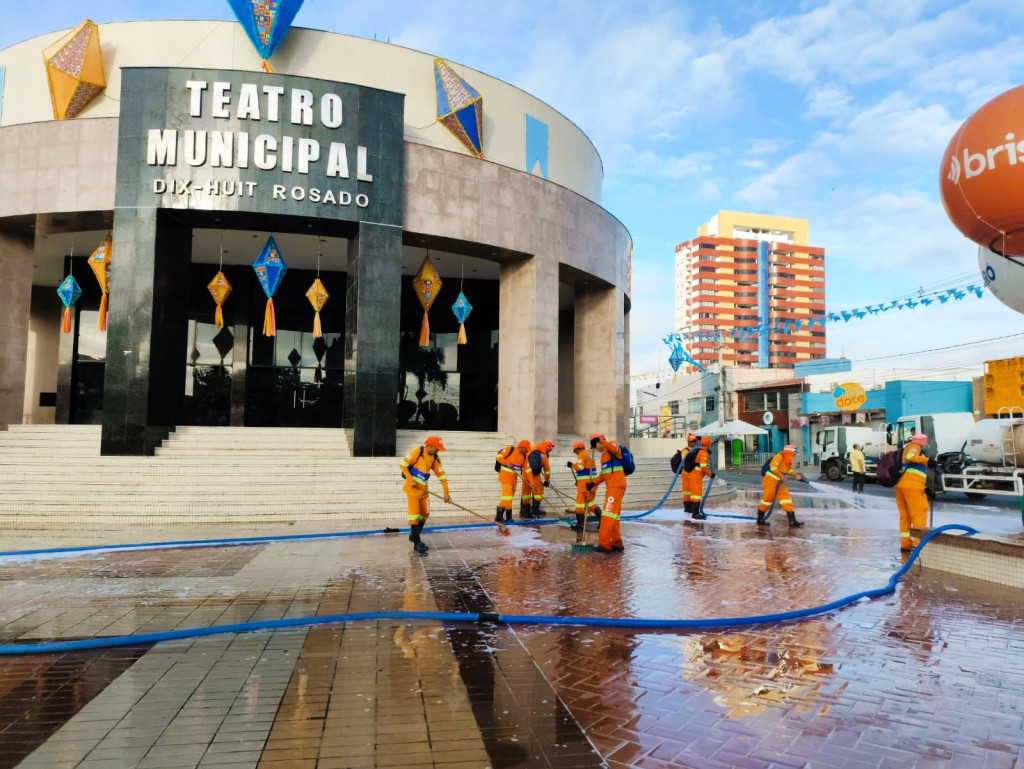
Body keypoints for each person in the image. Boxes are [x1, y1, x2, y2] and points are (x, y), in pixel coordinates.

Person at [399, 435, 451, 553]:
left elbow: (442, 476)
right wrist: (410, 479)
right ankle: (417, 543)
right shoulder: (417, 452)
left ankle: (414, 534)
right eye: (437, 448)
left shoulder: (435, 458)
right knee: (414, 516)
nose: (438, 451)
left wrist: (446, 493)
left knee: (425, 514)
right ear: (430, 446)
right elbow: (403, 465)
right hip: (412, 490)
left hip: (424, 491)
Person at [895, 432, 932, 551]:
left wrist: (926, 489)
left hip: (902, 485)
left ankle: (905, 543)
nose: (926, 443)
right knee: (920, 512)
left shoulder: (906, 447)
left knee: (905, 516)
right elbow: (911, 457)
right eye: (925, 441)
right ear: (921, 441)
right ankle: (918, 542)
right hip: (913, 486)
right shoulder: (915, 446)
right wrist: (927, 460)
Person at [590, 433, 626, 553]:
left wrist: (602, 441)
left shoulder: (611, 445)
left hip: (616, 486)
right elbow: (603, 474)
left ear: (598, 442)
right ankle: (617, 543)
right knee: (614, 517)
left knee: (606, 515)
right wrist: (593, 483)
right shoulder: (604, 456)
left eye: (595, 446)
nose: (596, 449)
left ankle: (604, 544)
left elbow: (614, 449)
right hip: (612, 487)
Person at [757, 444, 806, 527]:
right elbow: (773, 468)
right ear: (789, 452)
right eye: (794, 453)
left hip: (779, 483)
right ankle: (760, 519)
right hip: (770, 481)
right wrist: (782, 476)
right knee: (767, 499)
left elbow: (789, 470)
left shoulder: (788, 460)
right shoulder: (779, 456)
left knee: (786, 499)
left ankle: (792, 521)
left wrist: (795, 475)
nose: (794, 455)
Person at [495, 439, 531, 523]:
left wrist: (531, 482)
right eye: (526, 449)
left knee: (506, 498)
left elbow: (527, 469)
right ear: (522, 447)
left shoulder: (524, 456)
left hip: (514, 479)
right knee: (508, 497)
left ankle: (498, 516)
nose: (527, 451)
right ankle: (509, 517)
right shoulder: (509, 449)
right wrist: (507, 463)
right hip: (505, 478)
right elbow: (498, 457)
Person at [568, 441, 597, 537]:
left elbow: (580, 467)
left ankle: (580, 524)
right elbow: (586, 470)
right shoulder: (589, 455)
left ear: (577, 449)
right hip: (592, 483)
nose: (575, 452)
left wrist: (572, 465)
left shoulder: (581, 454)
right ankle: (602, 520)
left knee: (579, 505)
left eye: (575, 450)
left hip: (584, 485)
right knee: (591, 503)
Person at [522, 440, 554, 519]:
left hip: (525, 475)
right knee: (538, 493)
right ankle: (535, 512)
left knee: (526, 494)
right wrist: (546, 481)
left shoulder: (530, 451)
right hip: (535, 476)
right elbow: (547, 471)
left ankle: (526, 513)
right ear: (547, 447)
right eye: (550, 448)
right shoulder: (543, 456)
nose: (551, 450)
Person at [687, 436, 715, 520]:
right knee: (696, 495)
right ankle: (695, 514)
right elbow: (703, 467)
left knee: (696, 494)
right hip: (696, 475)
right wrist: (710, 474)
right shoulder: (703, 453)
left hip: (695, 475)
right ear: (708, 444)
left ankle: (695, 512)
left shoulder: (702, 451)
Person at [680, 433, 698, 514]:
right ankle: (687, 507)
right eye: (692, 441)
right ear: (688, 442)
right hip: (687, 474)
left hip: (693, 474)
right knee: (687, 491)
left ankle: (691, 507)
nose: (694, 443)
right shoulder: (685, 450)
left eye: (695, 441)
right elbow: (685, 461)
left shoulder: (696, 450)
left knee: (692, 491)